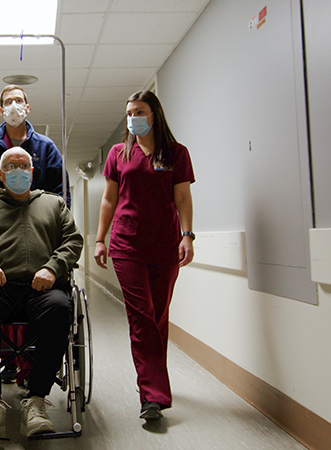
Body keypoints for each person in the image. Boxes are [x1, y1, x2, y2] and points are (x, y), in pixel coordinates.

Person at [0, 147, 83, 437]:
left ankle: (36, 400)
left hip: (43, 288)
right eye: (11, 166)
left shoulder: (54, 204)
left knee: (61, 308)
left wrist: (52, 267)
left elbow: (73, 241)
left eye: (24, 165)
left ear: (33, 171)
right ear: (0, 174)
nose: (18, 170)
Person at [93, 90, 195, 422]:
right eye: (129, 112)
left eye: (139, 111)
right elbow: (108, 200)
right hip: (127, 244)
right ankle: (152, 396)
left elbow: (182, 197)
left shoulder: (177, 153)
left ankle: (154, 385)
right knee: (141, 315)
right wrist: (99, 239)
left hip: (165, 245)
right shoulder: (118, 154)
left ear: (154, 114)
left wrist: (188, 235)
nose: (133, 117)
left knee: (158, 316)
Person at [0, 84, 70, 385]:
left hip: (39, 245)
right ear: (0, 110)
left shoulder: (46, 148)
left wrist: (53, 244)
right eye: (7, 101)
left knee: (55, 305)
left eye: (19, 100)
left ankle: (33, 380)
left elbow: (63, 197)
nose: (13, 105)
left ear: (28, 106)